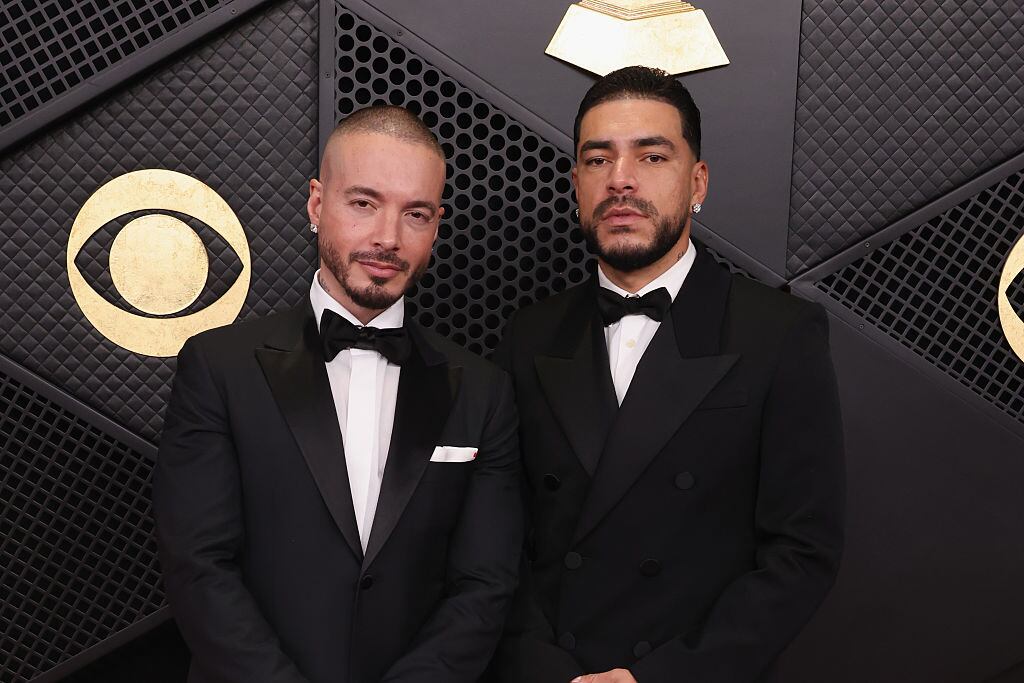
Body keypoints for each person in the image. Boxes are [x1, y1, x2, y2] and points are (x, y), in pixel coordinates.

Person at [492, 66, 845, 683]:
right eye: (597, 160)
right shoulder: (529, 337)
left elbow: (801, 554)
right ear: (576, 181)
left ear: (697, 180)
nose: (620, 180)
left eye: (652, 156)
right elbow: (495, 538)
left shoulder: (780, 334)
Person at [153, 105, 522, 683]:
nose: (387, 238)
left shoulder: (484, 391)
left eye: (416, 214)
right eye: (363, 203)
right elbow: (199, 567)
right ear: (317, 204)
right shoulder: (218, 367)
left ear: (437, 225)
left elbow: (484, 585)